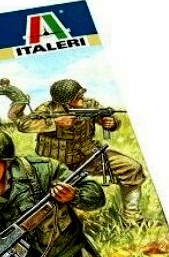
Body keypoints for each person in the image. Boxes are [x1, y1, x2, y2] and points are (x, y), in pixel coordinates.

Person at [16, 79, 147, 224]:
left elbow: (108, 118)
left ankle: (132, 218)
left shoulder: (90, 105)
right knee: (51, 193)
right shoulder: (47, 109)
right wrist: (55, 123)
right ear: (65, 100)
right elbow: (23, 125)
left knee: (131, 168)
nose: (83, 98)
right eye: (78, 97)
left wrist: (111, 123)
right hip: (56, 163)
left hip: (88, 155)